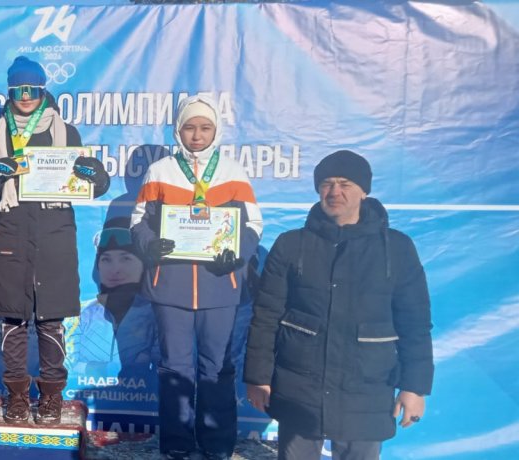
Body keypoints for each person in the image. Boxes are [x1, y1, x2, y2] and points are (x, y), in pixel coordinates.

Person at [244, 150, 433, 460]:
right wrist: (258, 378)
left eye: (345, 184)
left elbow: (415, 324)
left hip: (367, 388)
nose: (335, 192)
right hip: (299, 387)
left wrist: (414, 387)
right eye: (327, 184)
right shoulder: (291, 245)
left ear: (364, 191)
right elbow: (266, 316)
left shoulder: (397, 249)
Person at [0, 55, 110, 424]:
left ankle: (52, 397)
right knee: (13, 320)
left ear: (42, 90)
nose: (25, 98)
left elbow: (94, 184)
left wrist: (95, 173)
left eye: (32, 90)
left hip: (54, 236)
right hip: (11, 234)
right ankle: (17, 396)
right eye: (18, 90)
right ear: (10, 92)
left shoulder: (65, 131)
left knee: (51, 321)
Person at [130, 94, 263, 460]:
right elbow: (138, 221)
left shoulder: (232, 172)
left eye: (205, 127)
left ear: (216, 131)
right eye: (190, 127)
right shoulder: (160, 171)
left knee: (217, 368)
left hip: (220, 284)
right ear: (178, 130)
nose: (197, 135)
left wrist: (236, 252)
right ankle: (176, 444)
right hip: (170, 286)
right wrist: (150, 244)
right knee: (175, 368)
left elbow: (253, 224)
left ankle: (217, 444)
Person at [71, 217, 159, 378]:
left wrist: (92, 367)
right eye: (106, 259)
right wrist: (121, 368)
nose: (115, 269)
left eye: (125, 258)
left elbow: (160, 366)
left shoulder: (156, 315)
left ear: (141, 265)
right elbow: (66, 366)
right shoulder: (79, 313)